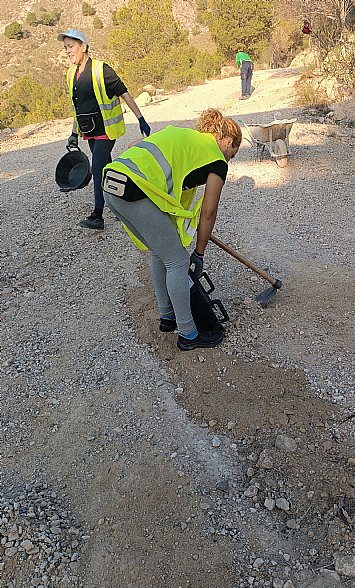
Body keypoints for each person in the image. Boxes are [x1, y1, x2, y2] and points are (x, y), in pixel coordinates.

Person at [102, 109, 242, 351]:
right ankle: (189, 334)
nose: (230, 159)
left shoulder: (186, 139)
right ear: (228, 141)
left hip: (112, 184)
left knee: (160, 253)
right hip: (134, 191)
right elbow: (209, 212)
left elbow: (141, 149)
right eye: (233, 153)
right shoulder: (216, 159)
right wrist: (198, 253)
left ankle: (168, 317)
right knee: (177, 262)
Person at [58, 29, 151, 230]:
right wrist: (73, 133)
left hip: (106, 130)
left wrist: (141, 119)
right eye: (65, 47)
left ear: (83, 47)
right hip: (88, 130)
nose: (67, 51)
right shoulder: (71, 74)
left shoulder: (102, 70)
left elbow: (124, 93)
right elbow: (77, 108)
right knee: (108, 168)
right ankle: (123, 205)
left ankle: (97, 216)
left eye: (71, 46)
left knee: (99, 168)